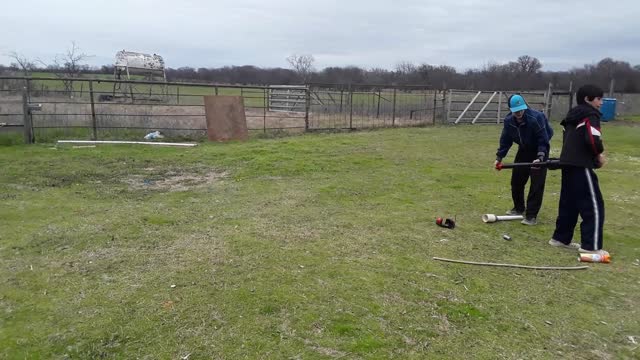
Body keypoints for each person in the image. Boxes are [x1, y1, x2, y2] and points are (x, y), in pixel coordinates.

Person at [548, 84, 608, 257]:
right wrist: (598, 155)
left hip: (567, 164)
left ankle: (560, 238)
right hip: (581, 166)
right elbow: (592, 138)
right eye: (599, 99)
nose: (601, 103)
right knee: (593, 205)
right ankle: (591, 246)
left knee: (570, 203)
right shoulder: (590, 114)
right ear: (588, 99)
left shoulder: (573, 115)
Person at [494, 94, 553, 225]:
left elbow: (543, 139)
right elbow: (506, 140)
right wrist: (499, 157)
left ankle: (531, 215)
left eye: (521, 109)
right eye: (516, 111)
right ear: (511, 110)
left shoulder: (536, 118)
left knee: (536, 184)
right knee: (517, 180)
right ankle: (519, 208)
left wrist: (540, 156)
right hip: (524, 149)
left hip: (540, 148)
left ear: (524, 107)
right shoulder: (509, 121)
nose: (519, 113)